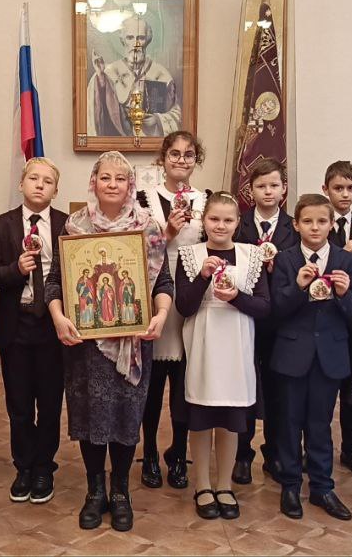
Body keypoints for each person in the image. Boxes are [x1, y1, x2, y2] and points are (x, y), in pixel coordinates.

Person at [46, 151, 173, 532]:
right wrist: (59, 317)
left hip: (132, 341)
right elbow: (56, 281)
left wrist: (160, 315)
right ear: (94, 182)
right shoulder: (75, 226)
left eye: (120, 178)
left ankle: (120, 491)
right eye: (105, 177)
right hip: (85, 344)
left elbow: (163, 283)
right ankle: (94, 490)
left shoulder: (148, 228)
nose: (112, 184)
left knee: (125, 416)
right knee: (89, 416)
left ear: (130, 184)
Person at [175, 192, 271, 520]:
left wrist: (236, 297)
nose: (220, 225)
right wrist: (202, 277)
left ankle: (224, 484)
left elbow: (264, 306)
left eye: (228, 220)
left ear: (238, 223)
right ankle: (202, 484)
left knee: (231, 422)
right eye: (214, 219)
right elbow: (184, 306)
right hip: (203, 347)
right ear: (204, 220)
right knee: (201, 420)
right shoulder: (190, 255)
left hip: (237, 348)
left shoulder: (251, 255)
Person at [269, 194, 352, 521]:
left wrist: (344, 294)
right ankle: (290, 485)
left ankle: (322, 487)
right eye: (307, 221)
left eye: (322, 221)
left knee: (320, 424)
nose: (315, 227)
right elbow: (276, 310)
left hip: (329, 356)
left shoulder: (346, 260)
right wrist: (297, 287)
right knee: (289, 422)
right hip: (292, 353)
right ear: (295, 225)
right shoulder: (285, 259)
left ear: (332, 224)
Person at [0, 157, 69, 504]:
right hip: (16, 323)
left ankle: (43, 467)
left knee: (49, 402)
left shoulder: (67, 225)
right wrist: (16, 270)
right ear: (21, 184)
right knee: (19, 403)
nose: (39, 185)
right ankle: (23, 466)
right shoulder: (2, 224)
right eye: (33, 178)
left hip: (53, 323)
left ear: (55, 190)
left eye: (47, 181)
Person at [135, 130, 206, 490]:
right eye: (174, 153)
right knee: (151, 387)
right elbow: (135, 249)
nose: (181, 159)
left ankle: (178, 452)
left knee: (183, 387)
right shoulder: (144, 198)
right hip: (155, 296)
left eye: (188, 154)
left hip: (192, 299)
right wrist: (168, 234)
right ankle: (148, 452)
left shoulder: (206, 201)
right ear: (163, 158)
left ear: (196, 160)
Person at [232, 157, 299, 485]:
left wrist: (279, 270)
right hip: (245, 315)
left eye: (274, 185)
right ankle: (242, 454)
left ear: (284, 189)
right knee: (245, 385)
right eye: (261, 186)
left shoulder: (293, 227)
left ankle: (274, 453)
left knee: (277, 389)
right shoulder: (238, 224)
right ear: (250, 191)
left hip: (280, 321)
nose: (268, 191)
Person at [322, 161, 352, 476]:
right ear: (325, 189)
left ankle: (350, 448)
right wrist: (342, 249)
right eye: (338, 188)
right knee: (322, 392)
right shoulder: (319, 223)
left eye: (350, 188)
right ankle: (317, 448)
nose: (344, 194)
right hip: (324, 316)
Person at [87, 16, 180, 137]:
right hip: (119, 141)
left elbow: (176, 114)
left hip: (149, 141)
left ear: (148, 40)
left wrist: (157, 120)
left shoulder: (160, 74)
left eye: (141, 38)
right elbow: (100, 110)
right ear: (123, 40)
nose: (136, 44)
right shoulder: (110, 72)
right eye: (130, 37)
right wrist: (100, 78)